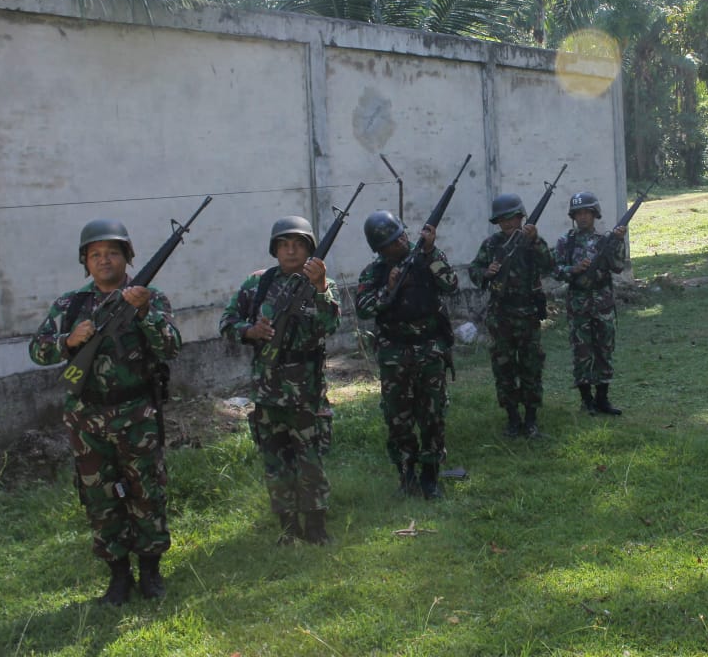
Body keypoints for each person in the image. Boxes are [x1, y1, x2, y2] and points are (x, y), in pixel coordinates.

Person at [28, 219, 181, 606]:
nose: (104, 260)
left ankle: (150, 572)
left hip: (136, 414)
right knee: (99, 498)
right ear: (85, 261)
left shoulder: (150, 298)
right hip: (86, 419)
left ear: (127, 257)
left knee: (147, 492)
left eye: (112, 252)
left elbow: (170, 347)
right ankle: (117, 577)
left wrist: (145, 313)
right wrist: (68, 341)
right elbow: (37, 350)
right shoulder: (71, 304)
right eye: (95, 254)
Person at [219, 216, 339, 545]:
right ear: (274, 249)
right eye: (284, 244)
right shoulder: (257, 284)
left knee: (310, 460)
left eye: (298, 244)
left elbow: (330, 325)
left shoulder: (322, 285)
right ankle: (287, 526)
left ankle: (315, 525)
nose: (291, 250)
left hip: (307, 393)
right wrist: (251, 331)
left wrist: (320, 288)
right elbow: (227, 322)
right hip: (268, 392)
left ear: (310, 250)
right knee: (276, 461)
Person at [355, 211, 459, 499]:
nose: (401, 242)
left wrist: (430, 251)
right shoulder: (374, 272)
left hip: (429, 350)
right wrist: (387, 289)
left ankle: (431, 475)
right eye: (392, 241)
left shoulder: (426, 258)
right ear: (380, 249)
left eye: (401, 235)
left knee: (433, 415)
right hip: (394, 354)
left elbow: (451, 284)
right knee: (398, 418)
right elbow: (363, 307)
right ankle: (407, 473)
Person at [468, 193, 553, 438]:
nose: (507, 224)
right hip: (500, 316)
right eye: (502, 220)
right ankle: (513, 419)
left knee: (531, 367)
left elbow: (549, 266)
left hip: (527, 314)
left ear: (520, 217)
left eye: (512, 218)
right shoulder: (491, 245)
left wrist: (535, 241)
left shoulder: (533, 242)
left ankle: (531, 420)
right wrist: (487, 271)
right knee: (504, 369)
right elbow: (475, 271)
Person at [553, 191, 627, 416]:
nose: (583, 217)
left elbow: (617, 266)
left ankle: (603, 399)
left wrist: (618, 241)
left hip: (602, 303)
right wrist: (573, 269)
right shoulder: (566, 241)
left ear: (594, 214)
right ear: (573, 216)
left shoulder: (604, 240)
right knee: (582, 352)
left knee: (604, 350)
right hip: (578, 305)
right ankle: (586, 401)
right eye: (578, 213)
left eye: (587, 212)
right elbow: (555, 270)